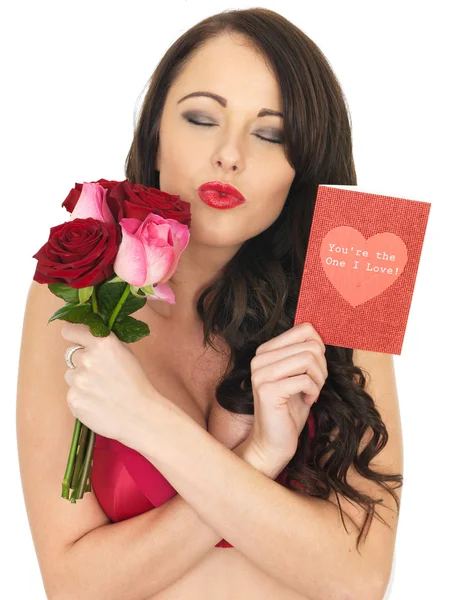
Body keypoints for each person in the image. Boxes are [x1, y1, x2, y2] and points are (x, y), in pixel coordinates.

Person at [17, 7, 403, 599]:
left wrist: (151, 423)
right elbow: (73, 585)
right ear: (155, 137)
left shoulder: (350, 282)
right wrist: (255, 461)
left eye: (270, 133)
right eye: (201, 118)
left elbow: (358, 579)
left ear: (303, 164)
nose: (229, 155)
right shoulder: (76, 287)